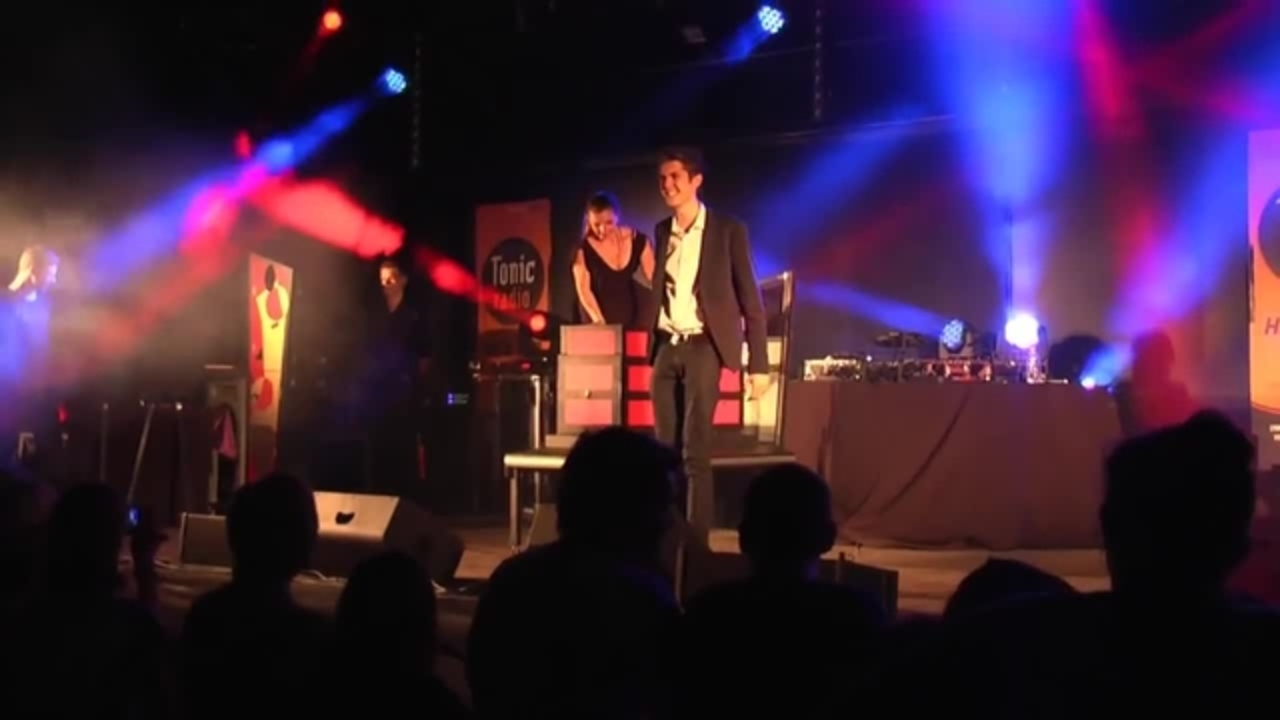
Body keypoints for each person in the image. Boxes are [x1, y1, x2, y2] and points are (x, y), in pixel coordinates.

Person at [648, 146, 769, 537]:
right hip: (666, 346)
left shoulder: (727, 230)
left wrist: (759, 365)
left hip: (704, 346)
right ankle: (665, 536)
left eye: (675, 177)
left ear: (695, 181)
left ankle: (696, 544)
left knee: (694, 449)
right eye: (663, 178)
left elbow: (751, 299)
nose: (668, 185)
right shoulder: (662, 231)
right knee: (663, 450)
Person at [365, 255, 432, 498]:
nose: (385, 285)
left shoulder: (414, 317)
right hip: (380, 395)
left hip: (405, 396)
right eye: (382, 280)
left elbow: (425, 357)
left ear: (403, 280)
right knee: (380, 449)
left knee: (404, 450)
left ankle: (407, 498)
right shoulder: (375, 318)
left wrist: (414, 384)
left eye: (390, 279)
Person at [572, 191, 656, 327]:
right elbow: (584, 291)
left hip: (627, 317)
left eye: (609, 223)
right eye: (596, 224)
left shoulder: (637, 240)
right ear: (589, 220)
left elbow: (654, 279)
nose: (602, 230)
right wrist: (599, 322)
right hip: (596, 319)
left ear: (617, 217)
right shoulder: (583, 249)